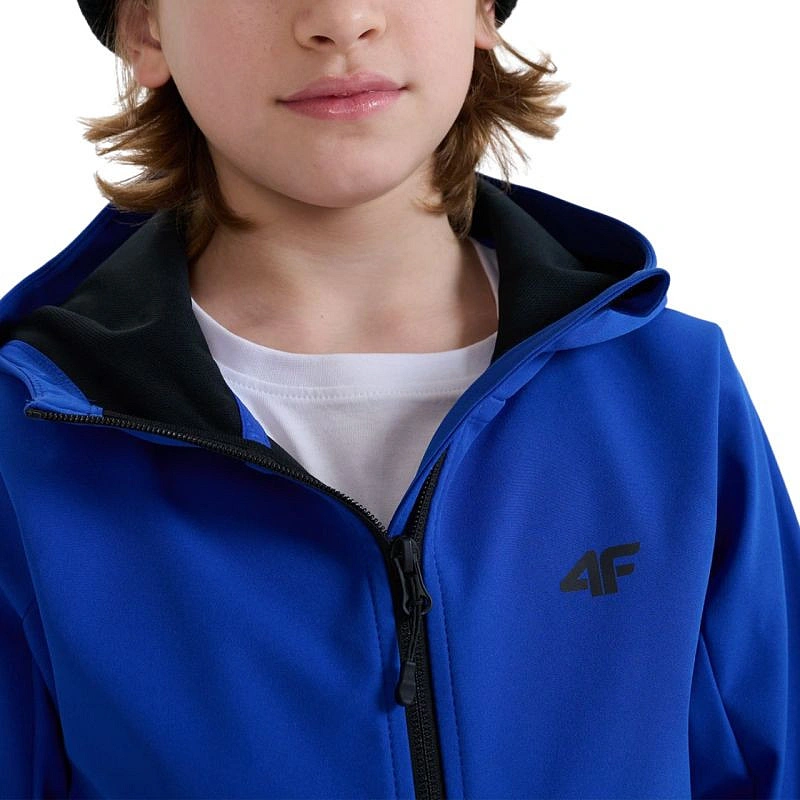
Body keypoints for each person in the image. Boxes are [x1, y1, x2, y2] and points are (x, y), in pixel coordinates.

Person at [0, 0, 797, 797]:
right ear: (146, 28)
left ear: (481, 8)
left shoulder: (673, 395)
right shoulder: (29, 446)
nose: (342, 18)